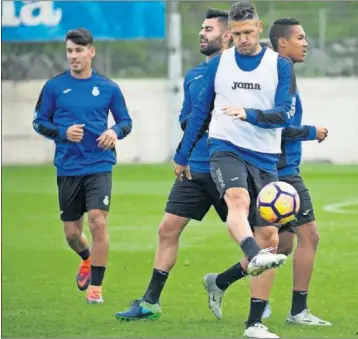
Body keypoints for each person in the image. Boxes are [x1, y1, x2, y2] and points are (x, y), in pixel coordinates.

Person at [172, 2, 297, 337]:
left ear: (258, 27)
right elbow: (201, 112)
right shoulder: (220, 64)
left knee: (270, 237)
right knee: (236, 198)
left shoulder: (280, 65)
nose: (242, 39)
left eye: (247, 32)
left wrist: (249, 113)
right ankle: (251, 253)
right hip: (225, 147)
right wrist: (182, 154)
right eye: (236, 34)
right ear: (230, 33)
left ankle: (254, 323)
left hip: (265, 156)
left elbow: (284, 113)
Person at [202, 18, 332, 327]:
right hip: (278, 170)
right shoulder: (274, 72)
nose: (306, 43)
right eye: (300, 37)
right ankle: (296, 311)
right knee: (308, 237)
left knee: (281, 245)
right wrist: (311, 131)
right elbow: (276, 126)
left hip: (282, 167)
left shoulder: (280, 71)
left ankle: (221, 282)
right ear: (282, 42)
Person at [114, 8, 233, 321]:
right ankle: (150, 302)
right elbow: (186, 117)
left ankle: (238, 291)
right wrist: (195, 123)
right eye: (202, 28)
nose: (202, 33)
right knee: (167, 229)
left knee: (258, 239)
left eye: (209, 29)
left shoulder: (236, 74)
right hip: (194, 168)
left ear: (227, 35)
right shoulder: (194, 75)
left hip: (229, 168)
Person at [32, 28, 133, 304]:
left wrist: (114, 132)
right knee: (72, 234)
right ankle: (86, 258)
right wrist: (63, 133)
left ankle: (96, 289)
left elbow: (126, 121)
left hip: (100, 164)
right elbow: (39, 122)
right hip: (68, 168)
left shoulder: (109, 88)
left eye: (78, 50)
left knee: (98, 221)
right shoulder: (54, 87)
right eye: (69, 51)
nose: (73, 56)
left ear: (91, 51)